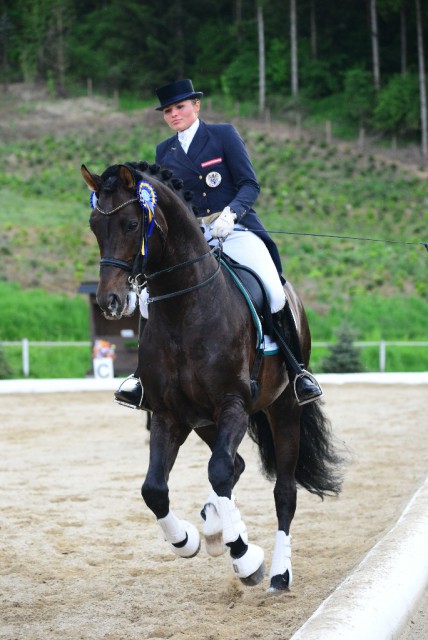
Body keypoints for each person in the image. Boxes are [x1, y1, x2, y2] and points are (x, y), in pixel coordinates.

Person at [115, 79, 322, 409]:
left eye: (180, 107)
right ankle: (141, 377)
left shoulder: (223, 135)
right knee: (146, 298)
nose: (174, 114)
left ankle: (297, 372)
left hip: (234, 228)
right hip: (191, 240)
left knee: (271, 288)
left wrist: (231, 213)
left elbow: (249, 184)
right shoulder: (164, 151)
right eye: (168, 110)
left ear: (196, 106)